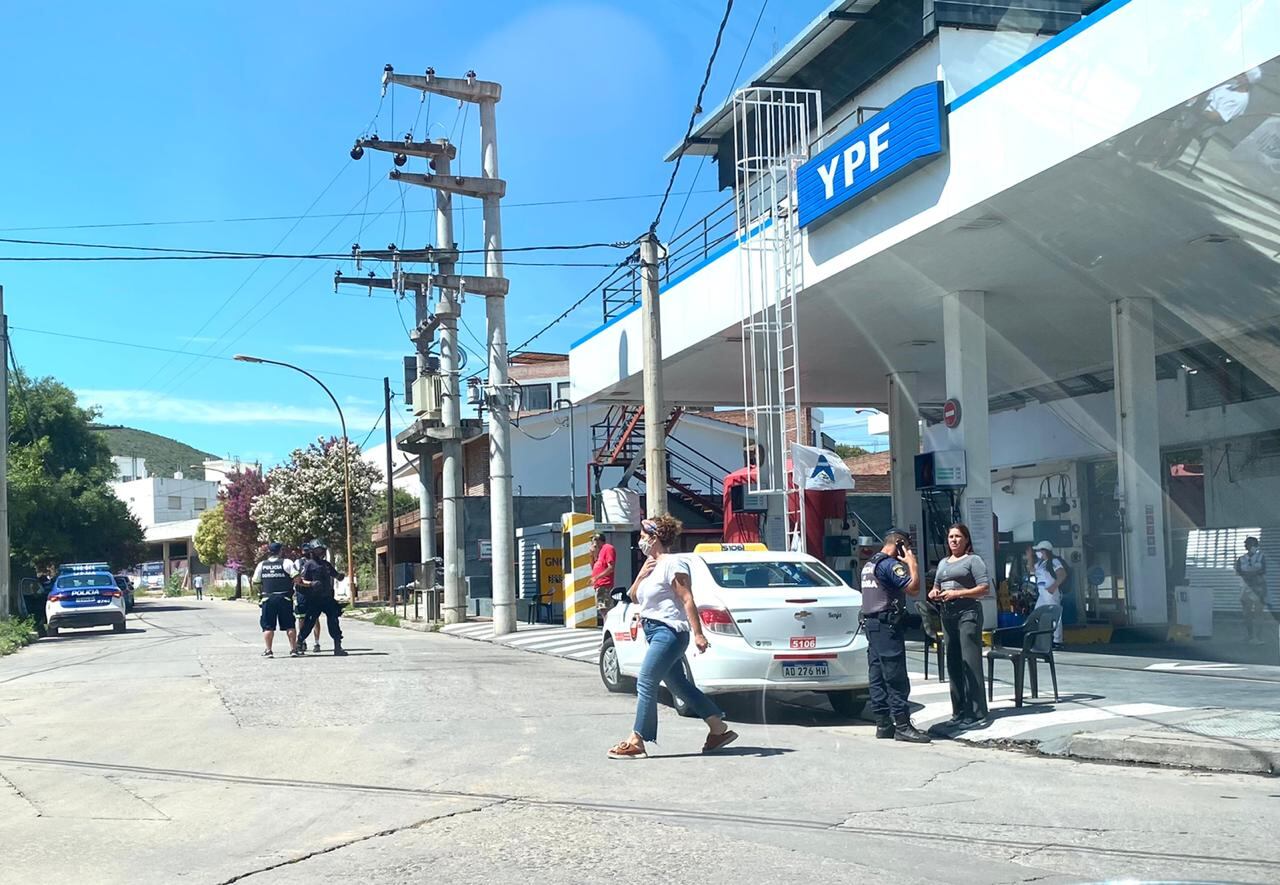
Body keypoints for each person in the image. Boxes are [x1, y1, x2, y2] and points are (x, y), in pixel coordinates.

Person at [607, 515, 737, 759]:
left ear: (654, 538)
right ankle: (718, 728)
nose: (640, 541)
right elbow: (634, 597)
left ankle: (638, 739)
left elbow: (687, 598)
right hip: (653, 631)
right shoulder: (650, 566)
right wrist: (640, 575)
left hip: (669, 632)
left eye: (643, 537)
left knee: (646, 680)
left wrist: (698, 634)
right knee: (678, 684)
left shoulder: (673, 564)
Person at [859, 528, 930, 743]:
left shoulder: (869, 564)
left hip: (872, 625)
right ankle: (902, 725)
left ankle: (883, 723)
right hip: (887, 627)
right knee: (895, 676)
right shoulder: (891, 565)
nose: (907, 550)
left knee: (877, 674)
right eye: (906, 546)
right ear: (899, 544)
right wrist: (913, 564)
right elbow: (914, 589)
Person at [929, 524, 991, 730]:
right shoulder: (943, 563)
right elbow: (936, 585)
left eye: (958, 537)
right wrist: (934, 592)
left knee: (969, 662)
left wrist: (958, 594)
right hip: (948, 615)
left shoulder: (973, 561)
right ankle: (959, 711)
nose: (954, 540)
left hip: (968, 614)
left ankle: (977, 712)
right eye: (950, 537)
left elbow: (984, 588)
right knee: (953, 662)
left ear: (966, 540)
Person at [296, 540, 347, 656]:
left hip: (327, 598)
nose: (320, 552)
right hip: (314, 599)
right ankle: (299, 643)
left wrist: (340, 576)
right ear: (312, 551)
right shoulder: (308, 564)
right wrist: (311, 584)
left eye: (321, 550)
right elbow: (300, 581)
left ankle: (337, 646)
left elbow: (336, 575)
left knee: (333, 621)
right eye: (317, 550)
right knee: (309, 622)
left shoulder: (326, 564)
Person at [252, 542, 299, 658]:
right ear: (280, 551)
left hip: (268, 598)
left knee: (268, 626)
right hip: (284, 598)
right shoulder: (287, 562)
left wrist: (262, 591)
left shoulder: (262, 565)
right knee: (290, 625)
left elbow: (255, 582)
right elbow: (296, 578)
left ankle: (269, 650)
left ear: (269, 552)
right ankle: (293, 649)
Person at [1029, 541, 1067, 648]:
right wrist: (1029, 557)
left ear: (1044, 550)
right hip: (1042, 593)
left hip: (1051, 593)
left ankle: (1058, 641)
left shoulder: (1054, 561)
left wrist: (1053, 586)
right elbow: (1032, 570)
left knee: (1055, 616)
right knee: (1037, 614)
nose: (1038, 552)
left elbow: (1062, 574)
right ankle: (1043, 637)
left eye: (1039, 550)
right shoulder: (1041, 563)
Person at [1236, 536, 1268, 645]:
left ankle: (1259, 637)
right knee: (1247, 613)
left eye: (1252, 544)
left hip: (1259, 588)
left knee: (1259, 613)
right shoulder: (1241, 558)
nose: (1249, 546)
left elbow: (1263, 570)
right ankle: (1250, 636)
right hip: (1245, 588)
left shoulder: (1261, 557)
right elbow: (1238, 571)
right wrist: (1252, 573)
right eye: (1248, 544)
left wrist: (1250, 574)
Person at [590, 533, 617, 617]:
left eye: (594, 541)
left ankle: (608, 628)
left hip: (604, 584)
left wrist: (597, 577)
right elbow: (593, 566)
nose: (592, 543)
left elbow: (611, 568)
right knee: (602, 609)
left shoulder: (608, 548)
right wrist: (592, 554)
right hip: (599, 584)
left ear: (598, 541)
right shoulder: (600, 552)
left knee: (605, 609)